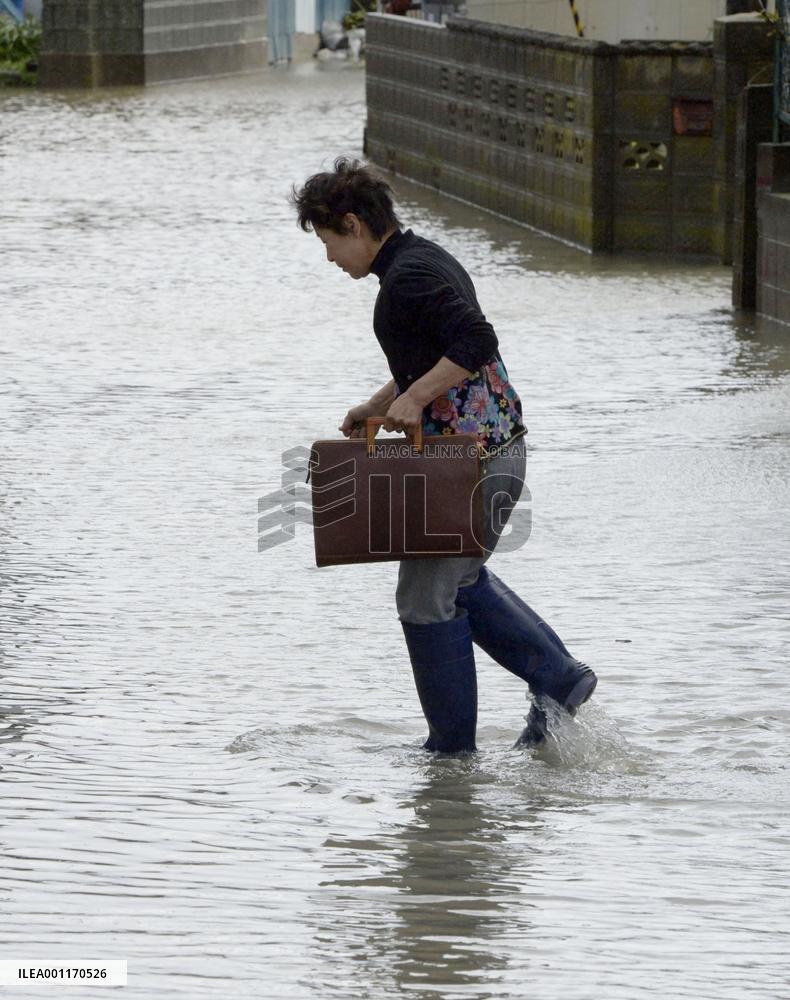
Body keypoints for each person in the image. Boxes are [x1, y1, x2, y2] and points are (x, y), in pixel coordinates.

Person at [291, 157, 597, 754]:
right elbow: (434, 354)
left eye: (328, 242)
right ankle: (555, 680)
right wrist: (382, 404)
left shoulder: (408, 276)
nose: (329, 258)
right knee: (454, 582)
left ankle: (453, 753)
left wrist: (415, 397)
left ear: (352, 224)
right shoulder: (421, 257)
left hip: (474, 462)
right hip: (488, 452)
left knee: (425, 597)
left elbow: (477, 342)